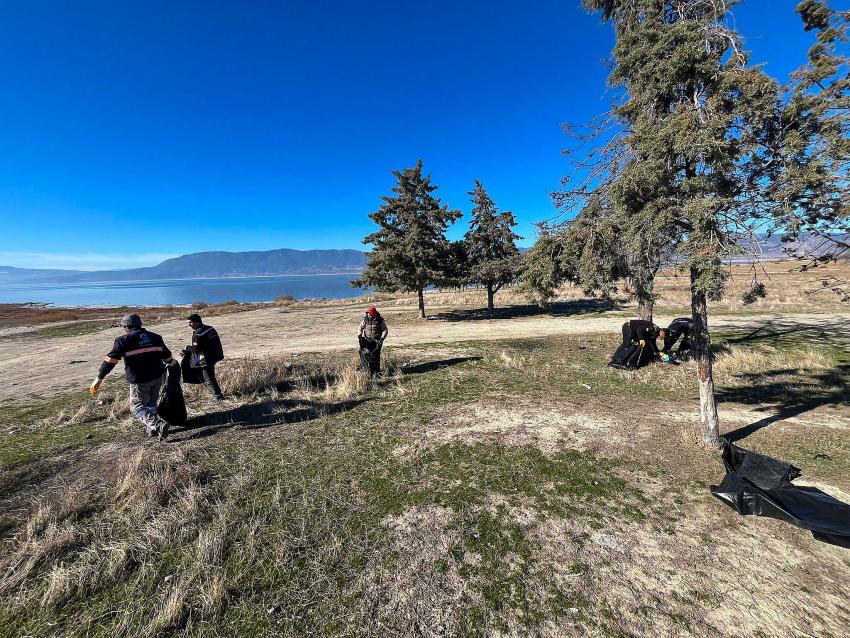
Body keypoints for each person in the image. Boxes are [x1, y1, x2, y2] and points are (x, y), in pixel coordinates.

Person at [89, 314, 173, 440]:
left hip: (139, 379)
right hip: (157, 376)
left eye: (123, 326)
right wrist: (172, 364)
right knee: (151, 404)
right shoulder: (155, 337)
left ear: (127, 326)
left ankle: (157, 425)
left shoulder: (123, 340)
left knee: (137, 407)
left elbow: (110, 360)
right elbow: (167, 356)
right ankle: (152, 430)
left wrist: (100, 377)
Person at [186, 313, 225, 399]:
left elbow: (196, 350)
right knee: (207, 376)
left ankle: (218, 396)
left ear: (197, 322)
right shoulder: (210, 328)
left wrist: (187, 348)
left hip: (205, 357)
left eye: (191, 322)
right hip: (216, 354)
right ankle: (215, 393)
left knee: (208, 377)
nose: (189, 325)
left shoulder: (198, 334)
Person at [358, 306, 388, 375]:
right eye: (368, 314)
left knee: (376, 356)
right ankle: (366, 370)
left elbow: (385, 330)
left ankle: (376, 372)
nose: (369, 315)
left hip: (377, 341)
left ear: (374, 314)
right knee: (362, 353)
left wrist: (382, 338)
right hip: (366, 341)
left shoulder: (380, 320)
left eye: (370, 314)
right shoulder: (365, 319)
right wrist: (359, 335)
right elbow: (360, 327)